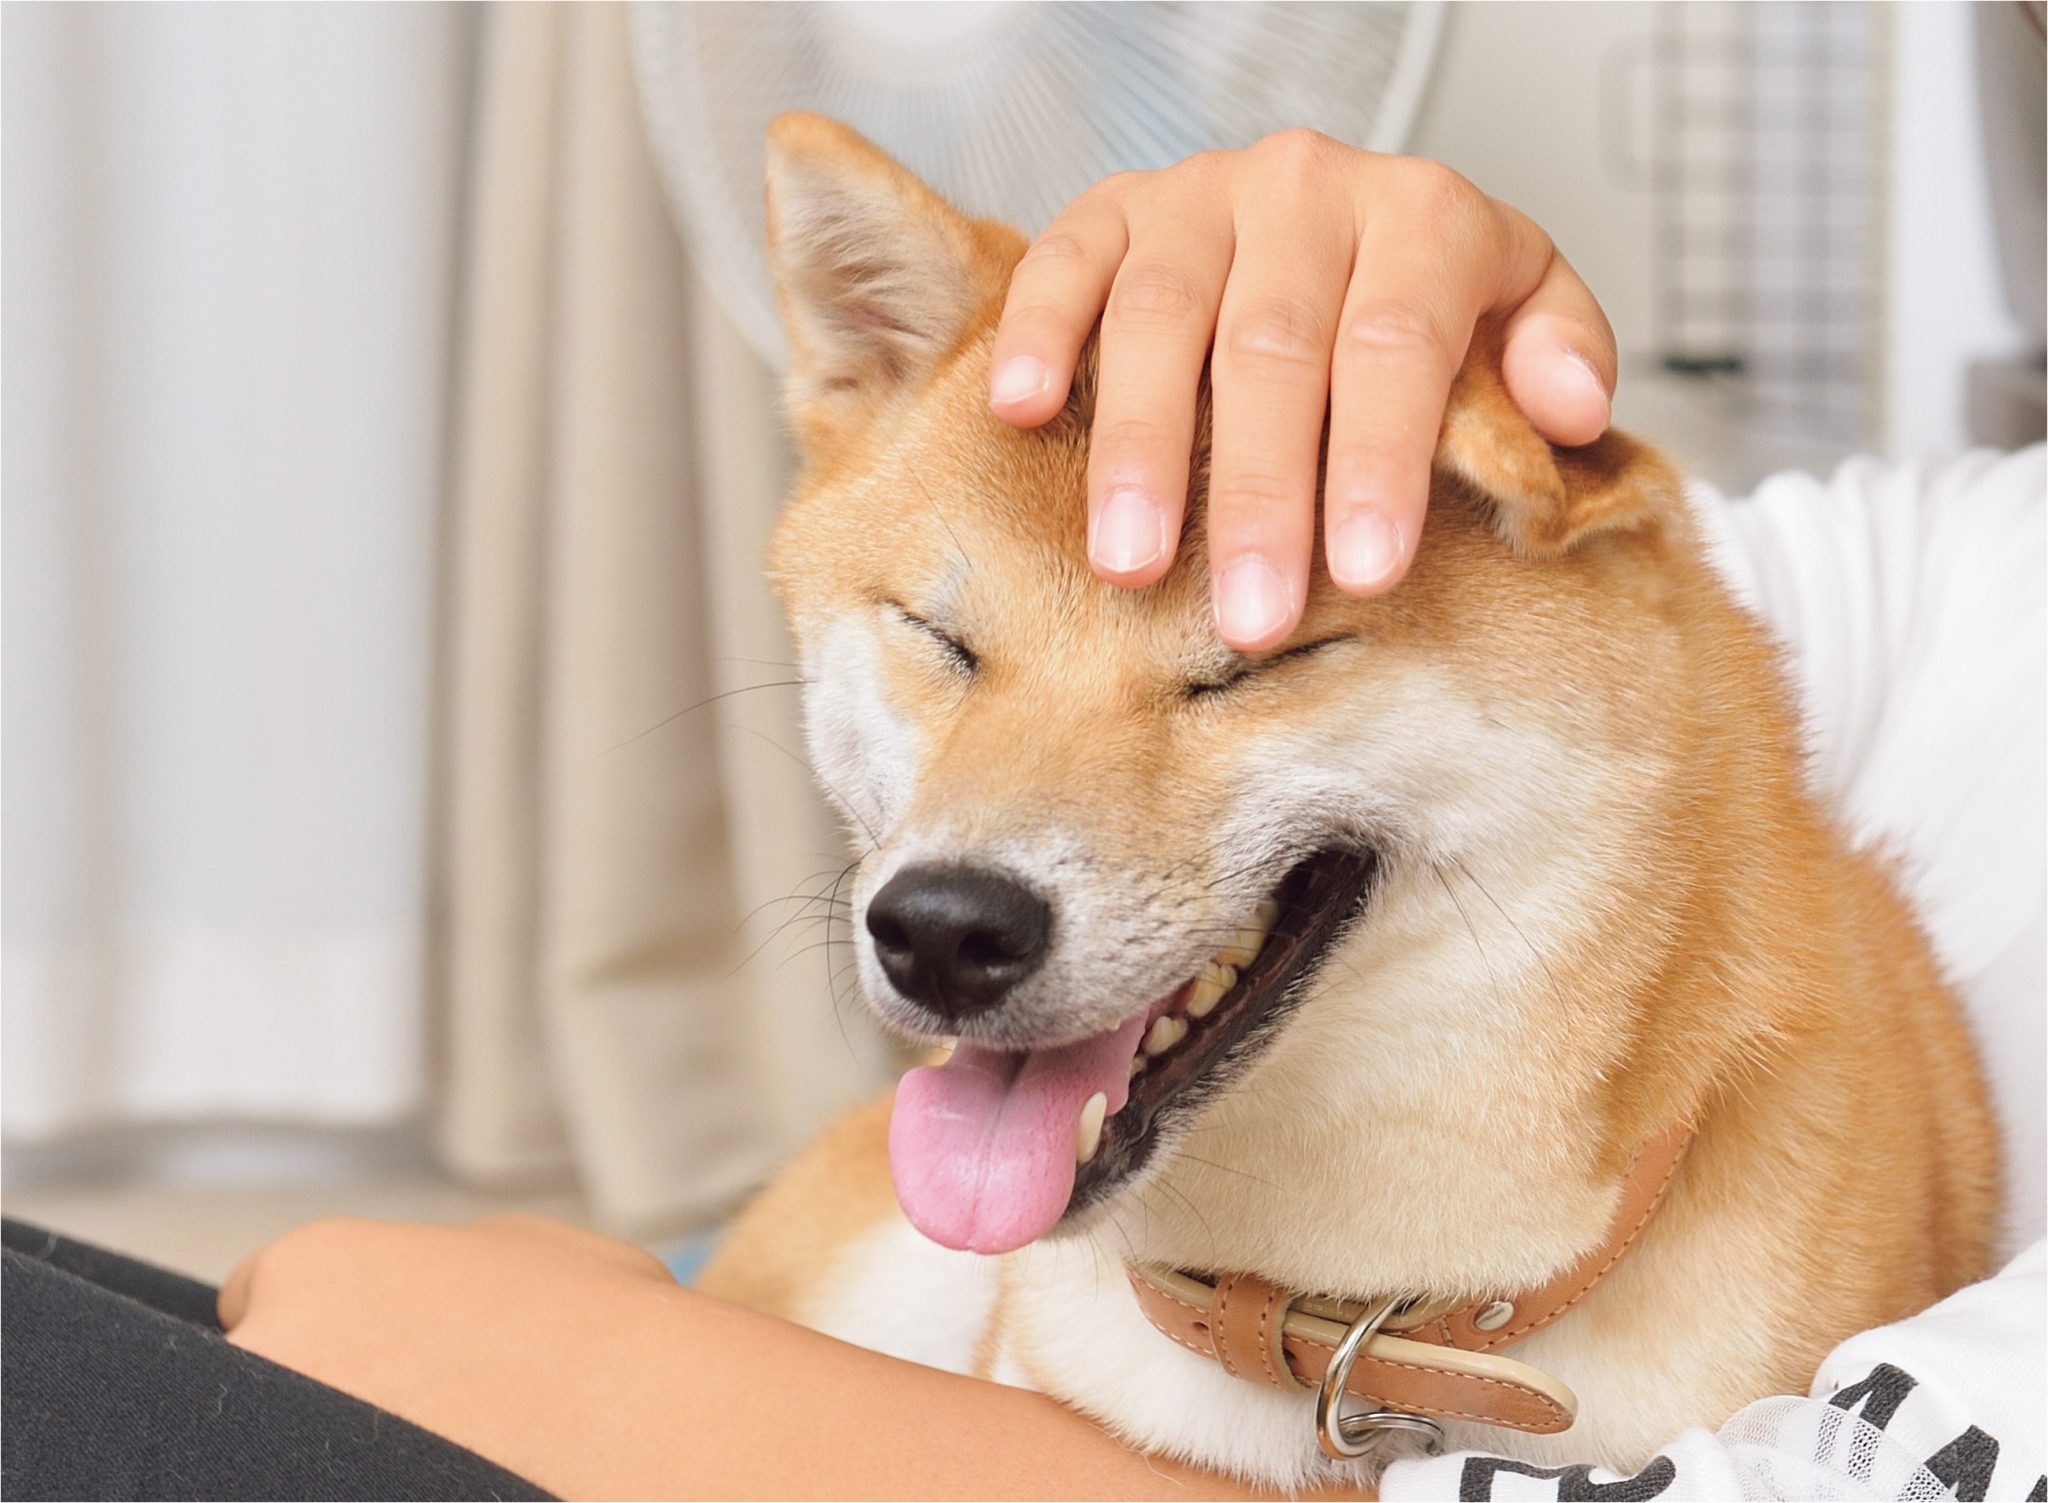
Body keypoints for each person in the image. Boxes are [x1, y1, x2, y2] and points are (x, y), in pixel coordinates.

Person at [5, 134, 2041, 1503]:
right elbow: (1656, 653)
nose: (983, 831)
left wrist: (594, 1371)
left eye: (1234, 675)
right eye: (949, 658)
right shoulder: (1932, 585)